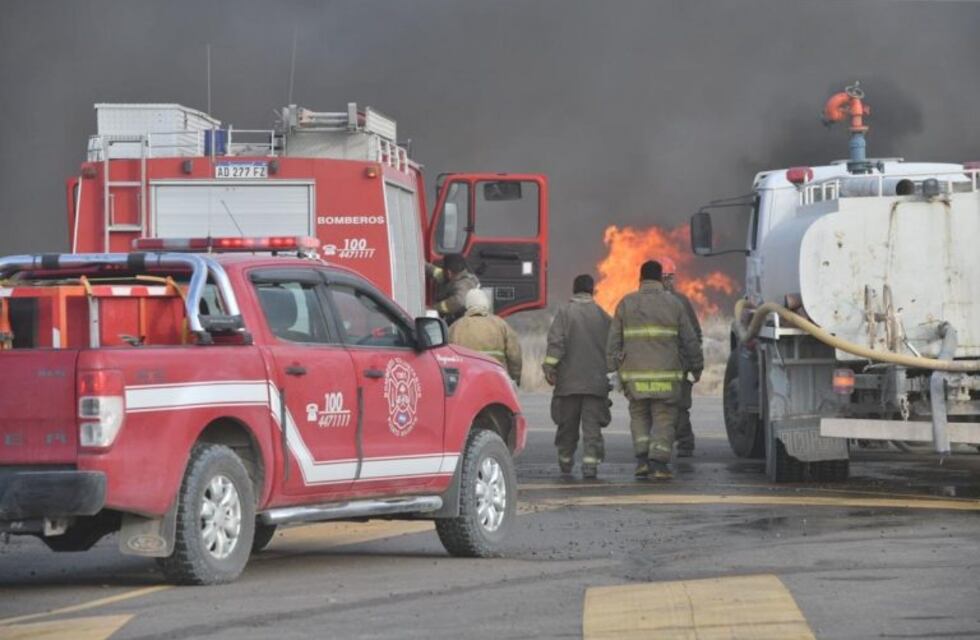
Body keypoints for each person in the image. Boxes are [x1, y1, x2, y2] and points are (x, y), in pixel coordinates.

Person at [606, 260, 703, 480]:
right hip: (667, 377)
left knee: (639, 415)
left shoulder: (626, 303)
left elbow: (613, 341)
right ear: (660, 278)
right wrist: (697, 367)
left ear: (640, 279)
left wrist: (612, 371)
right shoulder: (675, 304)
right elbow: (690, 340)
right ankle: (659, 464)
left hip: (634, 377)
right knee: (664, 418)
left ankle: (641, 461)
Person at [542, 274, 612, 479]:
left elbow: (556, 344)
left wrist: (549, 369)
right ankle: (590, 465)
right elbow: (614, 347)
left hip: (568, 383)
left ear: (574, 289)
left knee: (567, 426)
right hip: (595, 384)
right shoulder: (603, 316)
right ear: (593, 290)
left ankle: (565, 463)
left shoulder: (564, 313)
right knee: (592, 429)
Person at [659, 257, 703, 458]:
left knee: (679, 407)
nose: (667, 281)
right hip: (662, 367)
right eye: (664, 277)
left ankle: (684, 444)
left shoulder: (681, 302)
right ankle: (669, 445)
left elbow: (695, 335)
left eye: (669, 277)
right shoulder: (677, 301)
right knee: (665, 408)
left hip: (675, 366)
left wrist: (692, 364)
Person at [448, 288, 523, 384]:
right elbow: (514, 355)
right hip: (496, 379)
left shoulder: (455, 327)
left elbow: (447, 357)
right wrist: (515, 378)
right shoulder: (500, 324)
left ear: (467, 305)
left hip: (466, 381)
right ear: (486, 303)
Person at [427, 253, 480, 324]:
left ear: (449, 273)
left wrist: (433, 308)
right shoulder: (453, 275)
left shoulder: (464, 284)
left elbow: (458, 302)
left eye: (444, 269)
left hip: (460, 324)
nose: (442, 271)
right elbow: (433, 270)